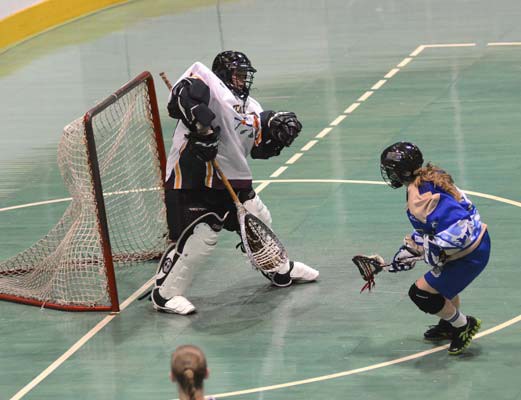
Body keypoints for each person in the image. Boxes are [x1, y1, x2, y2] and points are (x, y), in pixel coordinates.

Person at [152, 50, 319, 314]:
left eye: (245, 76)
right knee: (201, 239)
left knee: (259, 219)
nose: (243, 81)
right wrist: (201, 129)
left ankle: (277, 268)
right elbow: (181, 97)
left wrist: (277, 131)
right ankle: (165, 294)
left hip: (230, 179)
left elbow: (258, 148)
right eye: (238, 75)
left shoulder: (251, 107)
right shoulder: (209, 83)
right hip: (194, 179)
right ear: (224, 74)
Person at [379, 142, 490, 355]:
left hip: (470, 254)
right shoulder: (430, 177)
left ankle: (463, 325)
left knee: (421, 294)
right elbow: (434, 226)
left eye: (390, 170)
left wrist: (432, 251)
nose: (389, 174)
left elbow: (458, 230)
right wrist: (412, 248)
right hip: (476, 243)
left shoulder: (420, 199)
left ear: (401, 172)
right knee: (440, 288)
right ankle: (449, 324)